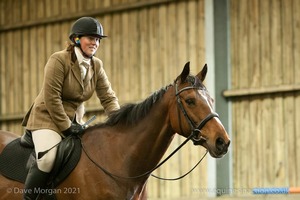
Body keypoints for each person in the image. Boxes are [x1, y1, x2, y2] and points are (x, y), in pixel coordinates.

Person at [21, 16, 120, 199]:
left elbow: (108, 97)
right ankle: (30, 198)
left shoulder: (96, 65)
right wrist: (67, 127)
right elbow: (52, 98)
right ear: (76, 39)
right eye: (91, 38)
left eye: (98, 39)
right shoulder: (58, 60)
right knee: (47, 159)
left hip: (76, 121)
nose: (95, 43)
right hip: (47, 119)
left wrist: (120, 121)